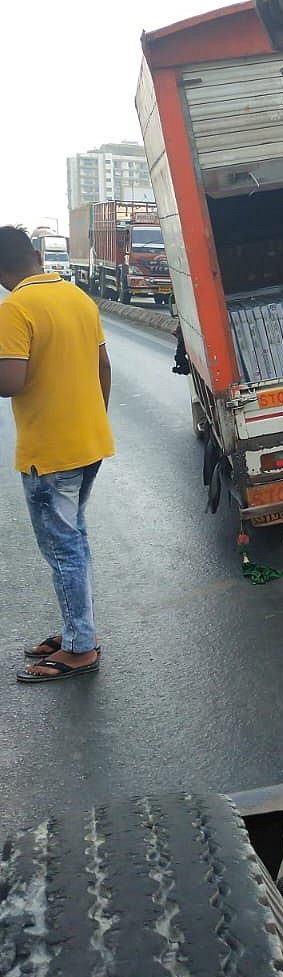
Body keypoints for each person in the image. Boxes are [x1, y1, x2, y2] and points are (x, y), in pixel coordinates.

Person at [0, 225, 114, 682]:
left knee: (64, 550)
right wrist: (92, 421)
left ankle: (80, 649)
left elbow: (10, 382)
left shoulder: (16, 308)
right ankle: (77, 631)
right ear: (34, 256)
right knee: (75, 543)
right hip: (88, 444)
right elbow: (103, 366)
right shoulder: (78, 297)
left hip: (48, 455)